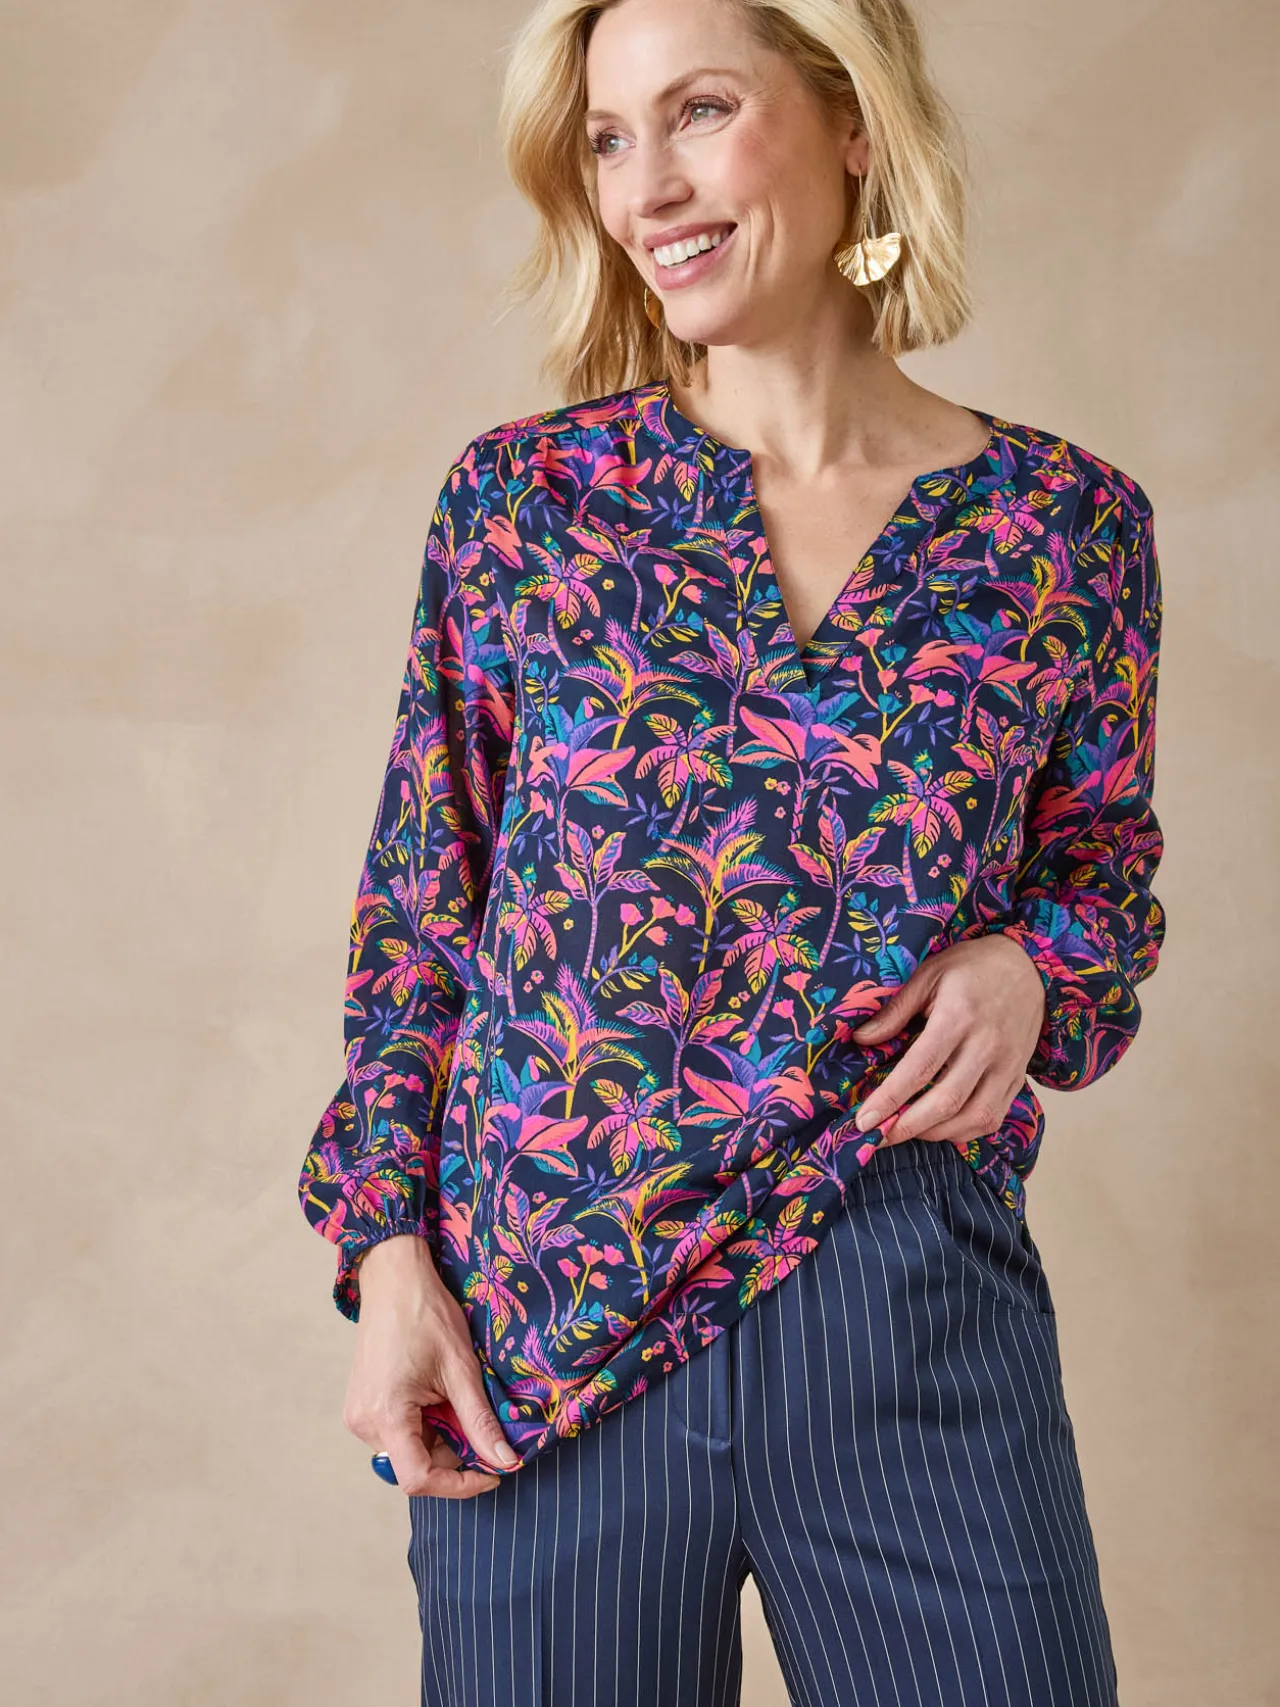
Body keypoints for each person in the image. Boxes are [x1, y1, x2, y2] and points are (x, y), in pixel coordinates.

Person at [297, 0, 1166, 1701]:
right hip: (550, 1335)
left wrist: (1029, 966)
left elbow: (1104, 888)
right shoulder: (529, 508)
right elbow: (419, 922)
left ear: (854, 123)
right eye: (609, 140)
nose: (646, 187)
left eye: (698, 111)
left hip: (903, 1290)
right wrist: (387, 1254)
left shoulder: (1064, 529)